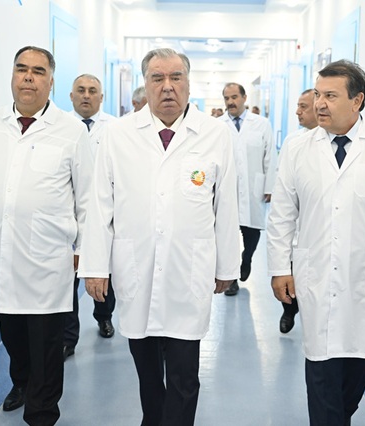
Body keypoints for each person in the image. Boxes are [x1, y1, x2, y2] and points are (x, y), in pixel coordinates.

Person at [78, 47, 239, 426]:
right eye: (157, 78)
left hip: (189, 271)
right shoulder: (118, 134)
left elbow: (227, 205)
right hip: (137, 269)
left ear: (188, 84)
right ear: (146, 84)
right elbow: (99, 205)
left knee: (184, 375)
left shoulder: (215, 133)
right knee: (148, 373)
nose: (168, 87)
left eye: (176, 77)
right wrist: (95, 266)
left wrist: (228, 266)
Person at [266, 60, 365, 426]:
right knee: (321, 374)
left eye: (330, 96)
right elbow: (282, 215)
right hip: (316, 277)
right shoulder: (297, 148)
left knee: (357, 372)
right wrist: (279, 268)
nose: (319, 104)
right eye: (317, 95)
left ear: (357, 100)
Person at [0, 46, 93, 426]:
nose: (28, 76)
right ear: (12, 76)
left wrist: (86, 249)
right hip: (2, 255)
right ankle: (22, 383)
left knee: (46, 345)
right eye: (21, 69)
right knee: (13, 336)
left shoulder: (71, 131)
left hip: (49, 261)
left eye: (38, 71)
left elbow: (87, 197)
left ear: (51, 81)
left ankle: (41, 412)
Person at [64, 74, 117, 357]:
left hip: (106, 211)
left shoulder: (115, 129)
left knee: (104, 270)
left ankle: (104, 317)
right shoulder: (60, 127)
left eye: (92, 91)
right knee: (68, 278)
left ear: (101, 97)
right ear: (71, 96)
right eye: (81, 90)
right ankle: (68, 337)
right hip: (69, 212)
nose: (86, 95)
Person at [219, 82, 278, 296]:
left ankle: (247, 258)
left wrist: (270, 186)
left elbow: (270, 156)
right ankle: (232, 278)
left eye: (234, 97)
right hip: (226, 189)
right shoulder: (218, 125)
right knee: (228, 234)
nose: (230, 102)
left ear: (244, 98)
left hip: (254, 186)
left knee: (252, 231)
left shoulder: (261, 124)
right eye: (227, 98)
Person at [277, 88, 318, 334]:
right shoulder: (293, 143)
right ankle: (289, 311)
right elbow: (284, 196)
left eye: (303, 107)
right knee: (293, 274)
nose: (297, 112)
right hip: (299, 228)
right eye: (297, 106)